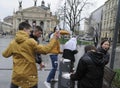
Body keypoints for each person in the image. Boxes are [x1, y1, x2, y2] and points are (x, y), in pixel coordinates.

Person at [2, 21, 59, 88]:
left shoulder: (13, 43)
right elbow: (45, 50)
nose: (30, 32)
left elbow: (5, 54)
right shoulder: (30, 41)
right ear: (24, 30)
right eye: (29, 30)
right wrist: (54, 38)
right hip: (29, 77)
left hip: (17, 75)